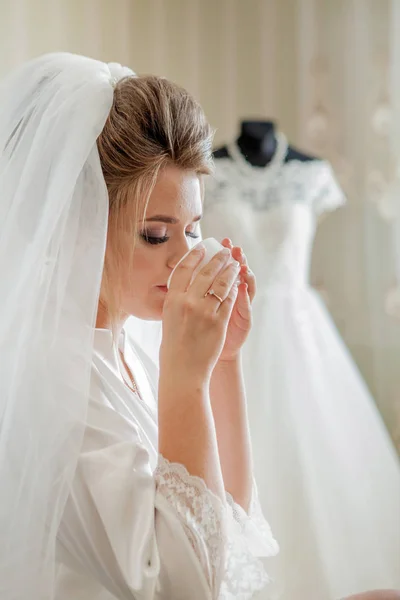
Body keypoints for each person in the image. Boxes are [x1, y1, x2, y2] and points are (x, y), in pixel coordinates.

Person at [0, 53, 278, 600]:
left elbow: (229, 530)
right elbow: (181, 587)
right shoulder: (55, 379)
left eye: (193, 230)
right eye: (156, 235)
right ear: (75, 226)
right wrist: (186, 379)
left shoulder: (134, 347)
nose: (184, 258)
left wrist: (223, 363)